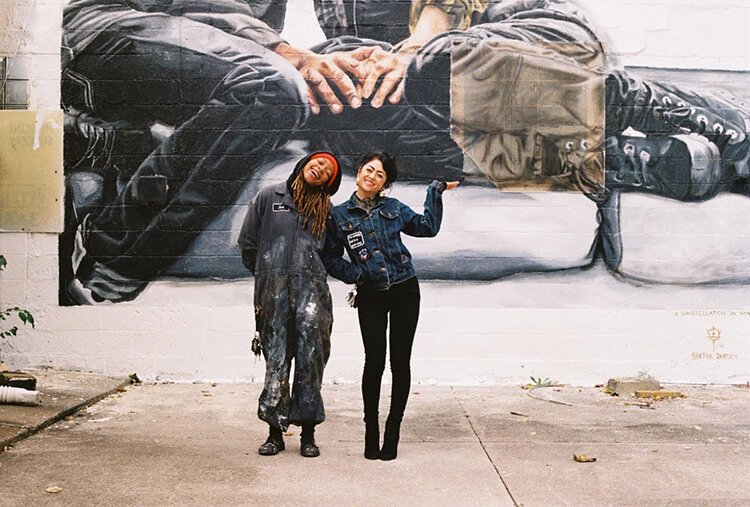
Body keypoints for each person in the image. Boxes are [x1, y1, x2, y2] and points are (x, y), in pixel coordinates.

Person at [323, 151, 459, 460]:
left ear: (385, 184)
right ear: (358, 173)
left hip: (405, 291)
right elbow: (329, 256)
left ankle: (393, 429)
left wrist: (434, 192)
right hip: (370, 294)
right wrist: (356, 274)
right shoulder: (339, 215)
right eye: (369, 170)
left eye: (380, 175)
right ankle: (371, 430)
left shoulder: (393, 208)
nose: (372, 176)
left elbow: (427, 227)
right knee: (374, 363)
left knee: (400, 362)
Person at [238, 151, 342, 457]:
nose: (320, 169)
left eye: (328, 171)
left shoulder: (327, 211)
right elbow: (247, 243)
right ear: (304, 163)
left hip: (313, 298)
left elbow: (333, 255)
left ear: (329, 183)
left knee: (311, 363)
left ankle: (308, 434)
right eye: (318, 162)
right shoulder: (269, 196)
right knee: (277, 363)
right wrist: (268, 275)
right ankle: (274, 433)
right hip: (273, 296)